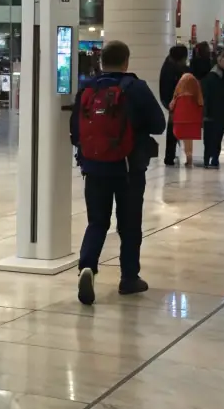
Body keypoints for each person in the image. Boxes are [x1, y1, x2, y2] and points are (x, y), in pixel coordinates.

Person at [71, 40, 166, 304]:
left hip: (94, 168)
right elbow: (159, 124)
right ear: (126, 62)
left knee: (97, 222)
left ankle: (87, 266)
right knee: (129, 225)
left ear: (101, 62)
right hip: (128, 170)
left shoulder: (87, 89)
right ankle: (129, 278)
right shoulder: (135, 87)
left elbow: (75, 131)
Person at [200, 49, 224, 168]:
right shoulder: (210, 77)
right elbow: (205, 94)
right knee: (209, 136)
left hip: (222, 112)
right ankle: (207, 158)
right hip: (210, 112)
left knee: (217, 136)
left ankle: (214, 157)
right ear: (219, 61)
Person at [159, 44, 189, 166]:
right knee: (173, 129)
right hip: (173, 102)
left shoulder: (170, 65)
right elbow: (169, 87)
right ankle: (169, 156)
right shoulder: (172, 69)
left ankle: (171, 155)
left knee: (174, 129)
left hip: (172, 101)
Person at [169, 71, 203, 166]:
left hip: (180, 119)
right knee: (189, 139)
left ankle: (188, 157)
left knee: (184, 139)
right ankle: (189, 156)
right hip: (192, 119)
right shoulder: (195, 87)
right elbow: (200, 101)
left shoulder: (179, 91)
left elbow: (172, 104)